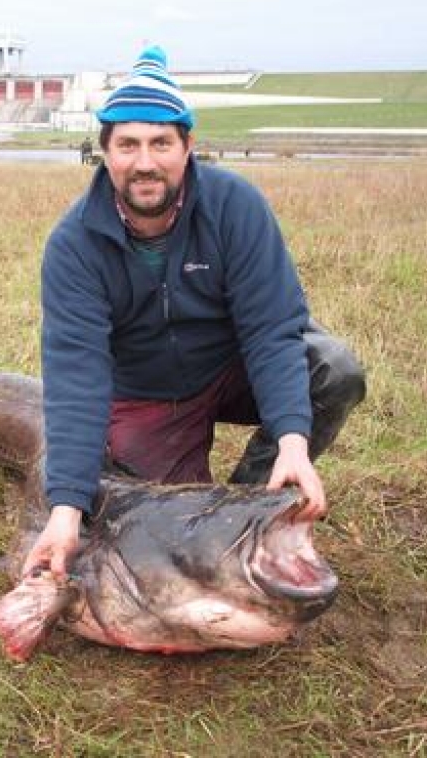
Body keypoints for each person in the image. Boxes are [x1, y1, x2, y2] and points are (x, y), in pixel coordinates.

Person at [23, 45, 366, 579]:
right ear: (105, 152)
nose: (144, 162)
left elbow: (271, 332)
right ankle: (200, 510)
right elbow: (77, 375)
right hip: (147, 395)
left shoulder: (236, 208)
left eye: (161, 142)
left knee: (333, 367)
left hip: (231, 370)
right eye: (128, 144)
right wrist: (65, 510)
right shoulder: (74, 244)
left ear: (187, 147)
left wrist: (293, 442)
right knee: (151, 528)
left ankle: (250, 506)